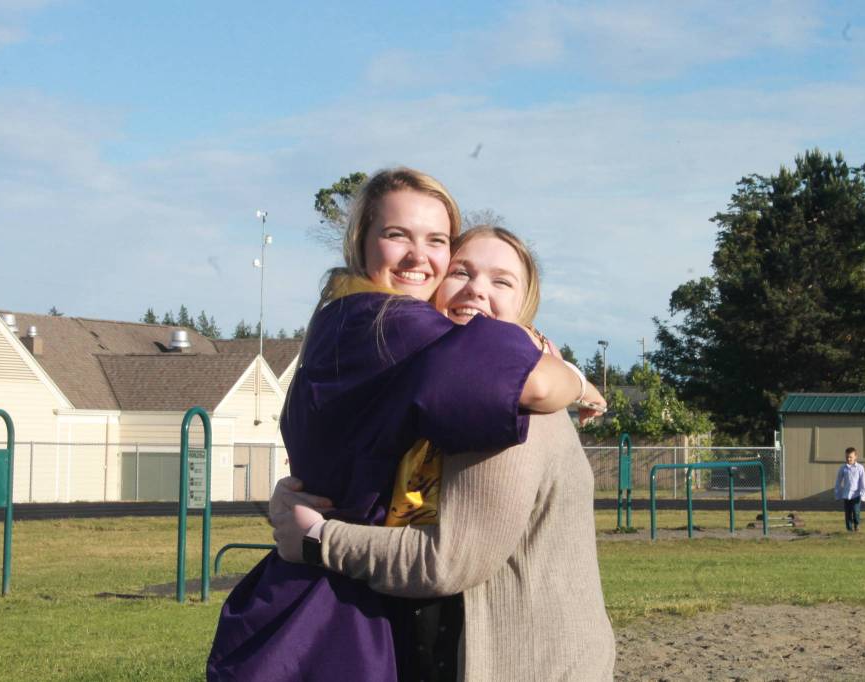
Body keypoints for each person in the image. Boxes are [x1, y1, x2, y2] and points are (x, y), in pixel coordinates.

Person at [206, 169, 604, 681]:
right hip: (344, 624)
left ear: (528, 309)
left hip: (525, 659)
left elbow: (447, 561)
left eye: (437, 241)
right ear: (361, 243)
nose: (474, 290)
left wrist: (317, 536)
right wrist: (573, 376)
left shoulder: (489, 395)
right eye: (398, 235)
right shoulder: (414, 347)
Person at [835, 446, 865, 532]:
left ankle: (857, 525)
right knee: (848, 513)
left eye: (850, 457)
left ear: (855, 457)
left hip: (856, 495)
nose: (849, 459)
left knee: (856, 512)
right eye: (847, 457)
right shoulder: (843, 468)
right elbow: (838, 482)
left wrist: (863, 494)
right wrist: (838, 494)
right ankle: (849, 529)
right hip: (846, 495)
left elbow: (863, 482)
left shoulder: (860, 468)